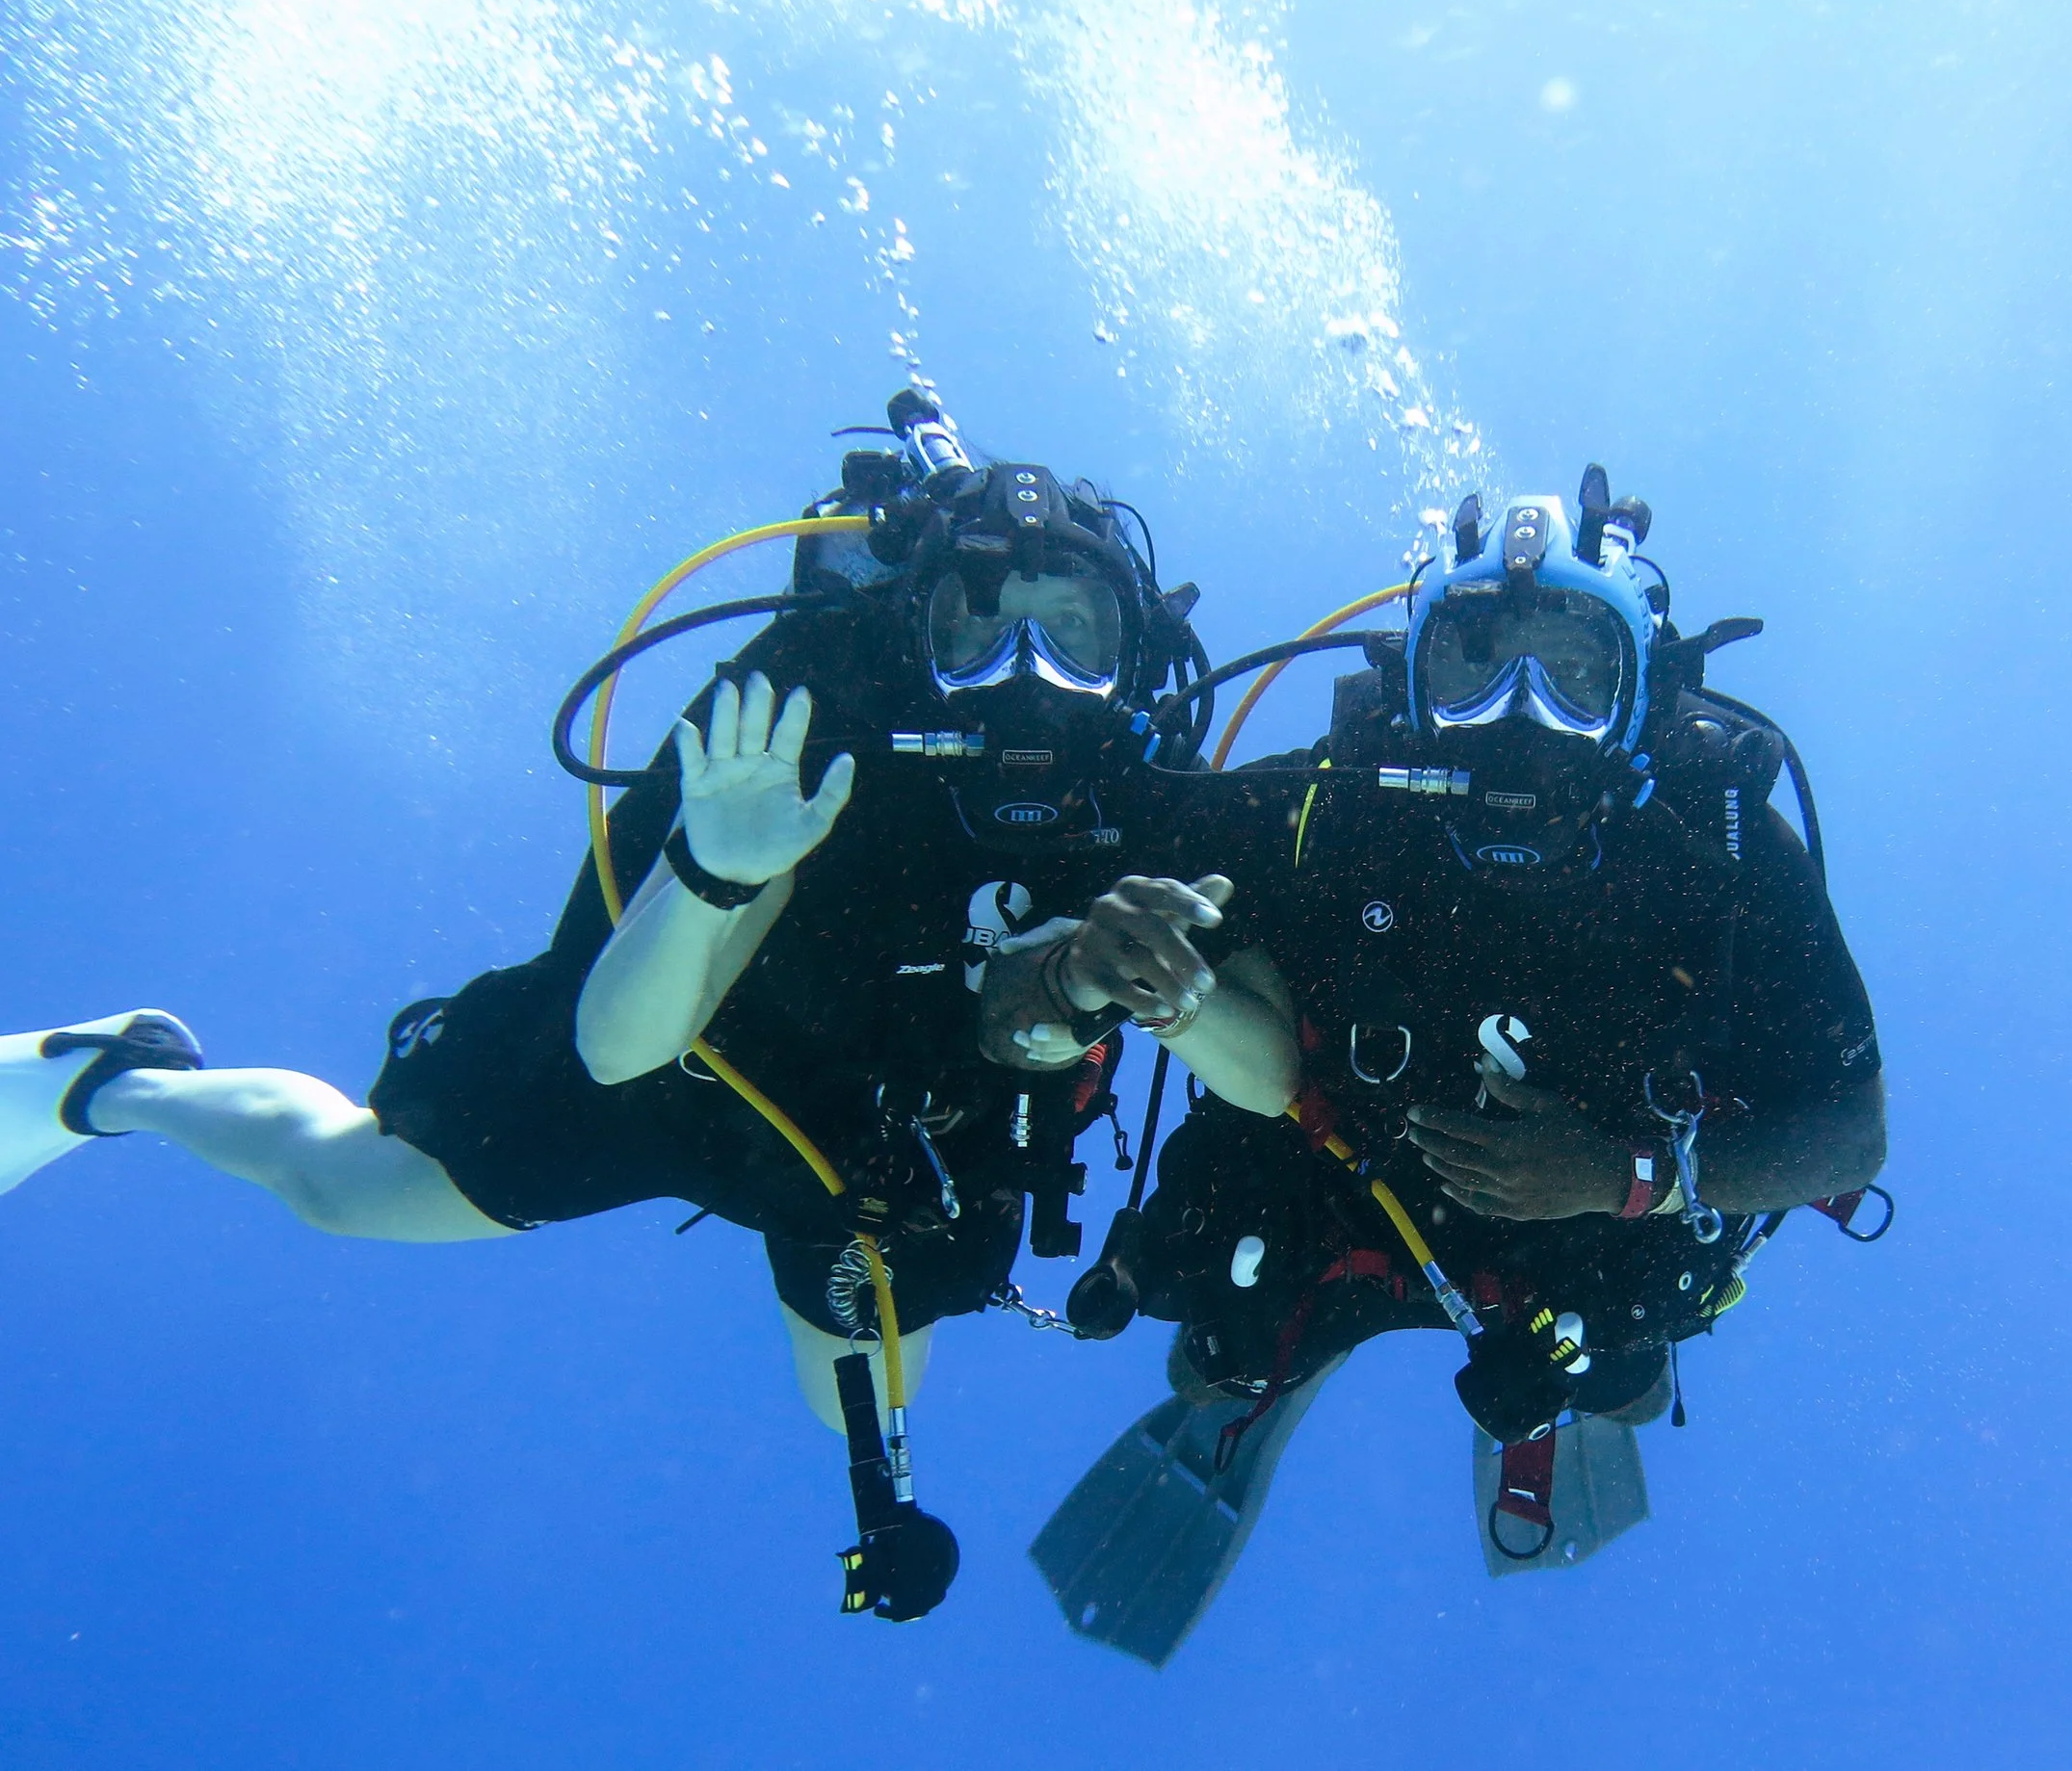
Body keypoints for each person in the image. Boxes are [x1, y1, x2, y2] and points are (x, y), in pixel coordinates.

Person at [0, 389, 1243, 1619]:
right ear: (917, 624)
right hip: (702, 1064)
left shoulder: (1135, 785)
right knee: (337, 1187)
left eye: (1068, 634)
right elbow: (616, 1046)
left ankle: (126, 1078)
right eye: (982, 626)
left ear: (1125, 647)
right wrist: (718, 870)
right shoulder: (818, 717)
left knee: (846, 1397)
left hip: (872, 1153)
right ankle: (123, 1077)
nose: (1025, 674)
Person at [999, 468, 1888, 1660]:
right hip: (1334, 1178)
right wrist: (1080, 962)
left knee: (1619, 1376)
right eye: (1476, 665)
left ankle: (1549, 1399)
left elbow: (1849, 1130)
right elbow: (1110, 874)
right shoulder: (1333, 800)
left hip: (1596, 1224)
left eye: (1574, 675)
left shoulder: (1712, 840)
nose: (1521, 713)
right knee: (1213, 1354)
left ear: (1638, 693)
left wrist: (1623, 1175)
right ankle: (1260, 1389)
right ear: (1414, 675)